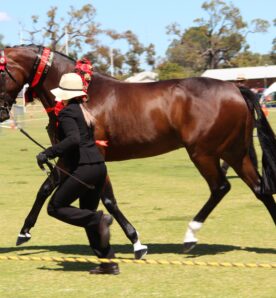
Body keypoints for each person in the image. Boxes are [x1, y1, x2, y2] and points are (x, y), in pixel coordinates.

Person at [36, 73, 119, 275]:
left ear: (65, 94)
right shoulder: (83, 111)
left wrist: (48, 152)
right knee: (88, 217)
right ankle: (108, 263)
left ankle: (100, 219)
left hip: (86, 168)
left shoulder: (66, 113)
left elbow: (73, 140)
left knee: (55, 207)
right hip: (98, 167)